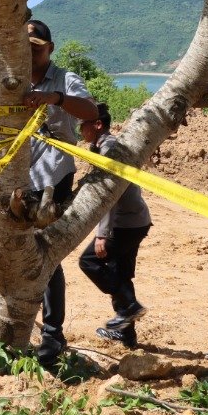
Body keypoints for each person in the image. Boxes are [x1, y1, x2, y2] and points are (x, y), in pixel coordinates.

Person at [0, 19, 98, 366]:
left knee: (46, 253)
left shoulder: (65, 79)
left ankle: (53, 335)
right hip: (15, 179)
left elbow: (90, 110)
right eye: (24, 48)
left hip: (52, 180)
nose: (30, 54)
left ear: (50, 49)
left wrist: (55, 99)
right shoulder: (10, 83)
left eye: (37, 48)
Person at [76, 103, 151, 349]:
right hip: (136, 220)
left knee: (89, 261)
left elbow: (109, 195)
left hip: (124, 223)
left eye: (83, 124)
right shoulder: (104, 146)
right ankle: (127, 334)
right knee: (120, 273)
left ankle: (129, 306)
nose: (80, 129)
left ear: (98, 124)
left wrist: (102, 234)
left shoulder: (108, 148)